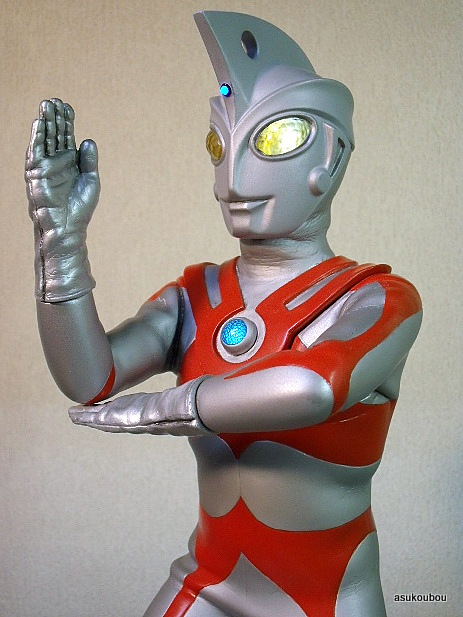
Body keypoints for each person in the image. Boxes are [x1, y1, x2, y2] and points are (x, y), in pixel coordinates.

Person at [25, 11, 422, 617]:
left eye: (272, 141)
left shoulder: (376, 298)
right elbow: (88, 377)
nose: (233, 179)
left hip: (328, 595)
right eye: (220, 143)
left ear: (331, 157)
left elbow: (316, 385)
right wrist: (59, 243)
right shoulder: (196, 296)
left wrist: (167, 407)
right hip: (210, 579)